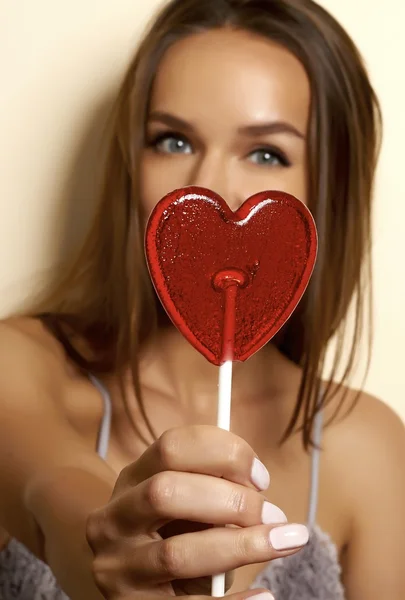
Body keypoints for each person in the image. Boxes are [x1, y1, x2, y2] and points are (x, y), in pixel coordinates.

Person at [0, 0, 404, 598]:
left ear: (328, 190)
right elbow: (53, 490)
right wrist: (108, 547)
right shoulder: (19, 364)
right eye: (171, 140)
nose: (207, 186)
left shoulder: (367, 446)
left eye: (266, 153)